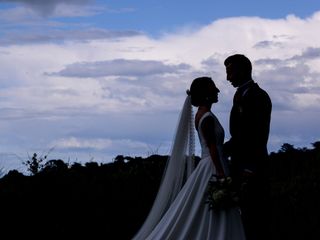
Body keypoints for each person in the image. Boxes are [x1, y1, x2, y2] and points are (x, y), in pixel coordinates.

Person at [132, 77, 246, 240]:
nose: (218, 91)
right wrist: (221, 175)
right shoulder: (206, 117)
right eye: (214, 88)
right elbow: (213, 148)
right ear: (206, 93)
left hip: (212, 163)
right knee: (217, 207)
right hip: (213, 166)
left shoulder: (204, 114)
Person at [223, 54, 272, 240]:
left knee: (255, 220)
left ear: (242, 70)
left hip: (253, 169)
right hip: (238, 166)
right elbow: (239, 136)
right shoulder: (240, 94)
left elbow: (258, 135)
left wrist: (250, 167)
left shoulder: (258, 96)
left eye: (230, 72)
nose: (228, 78)